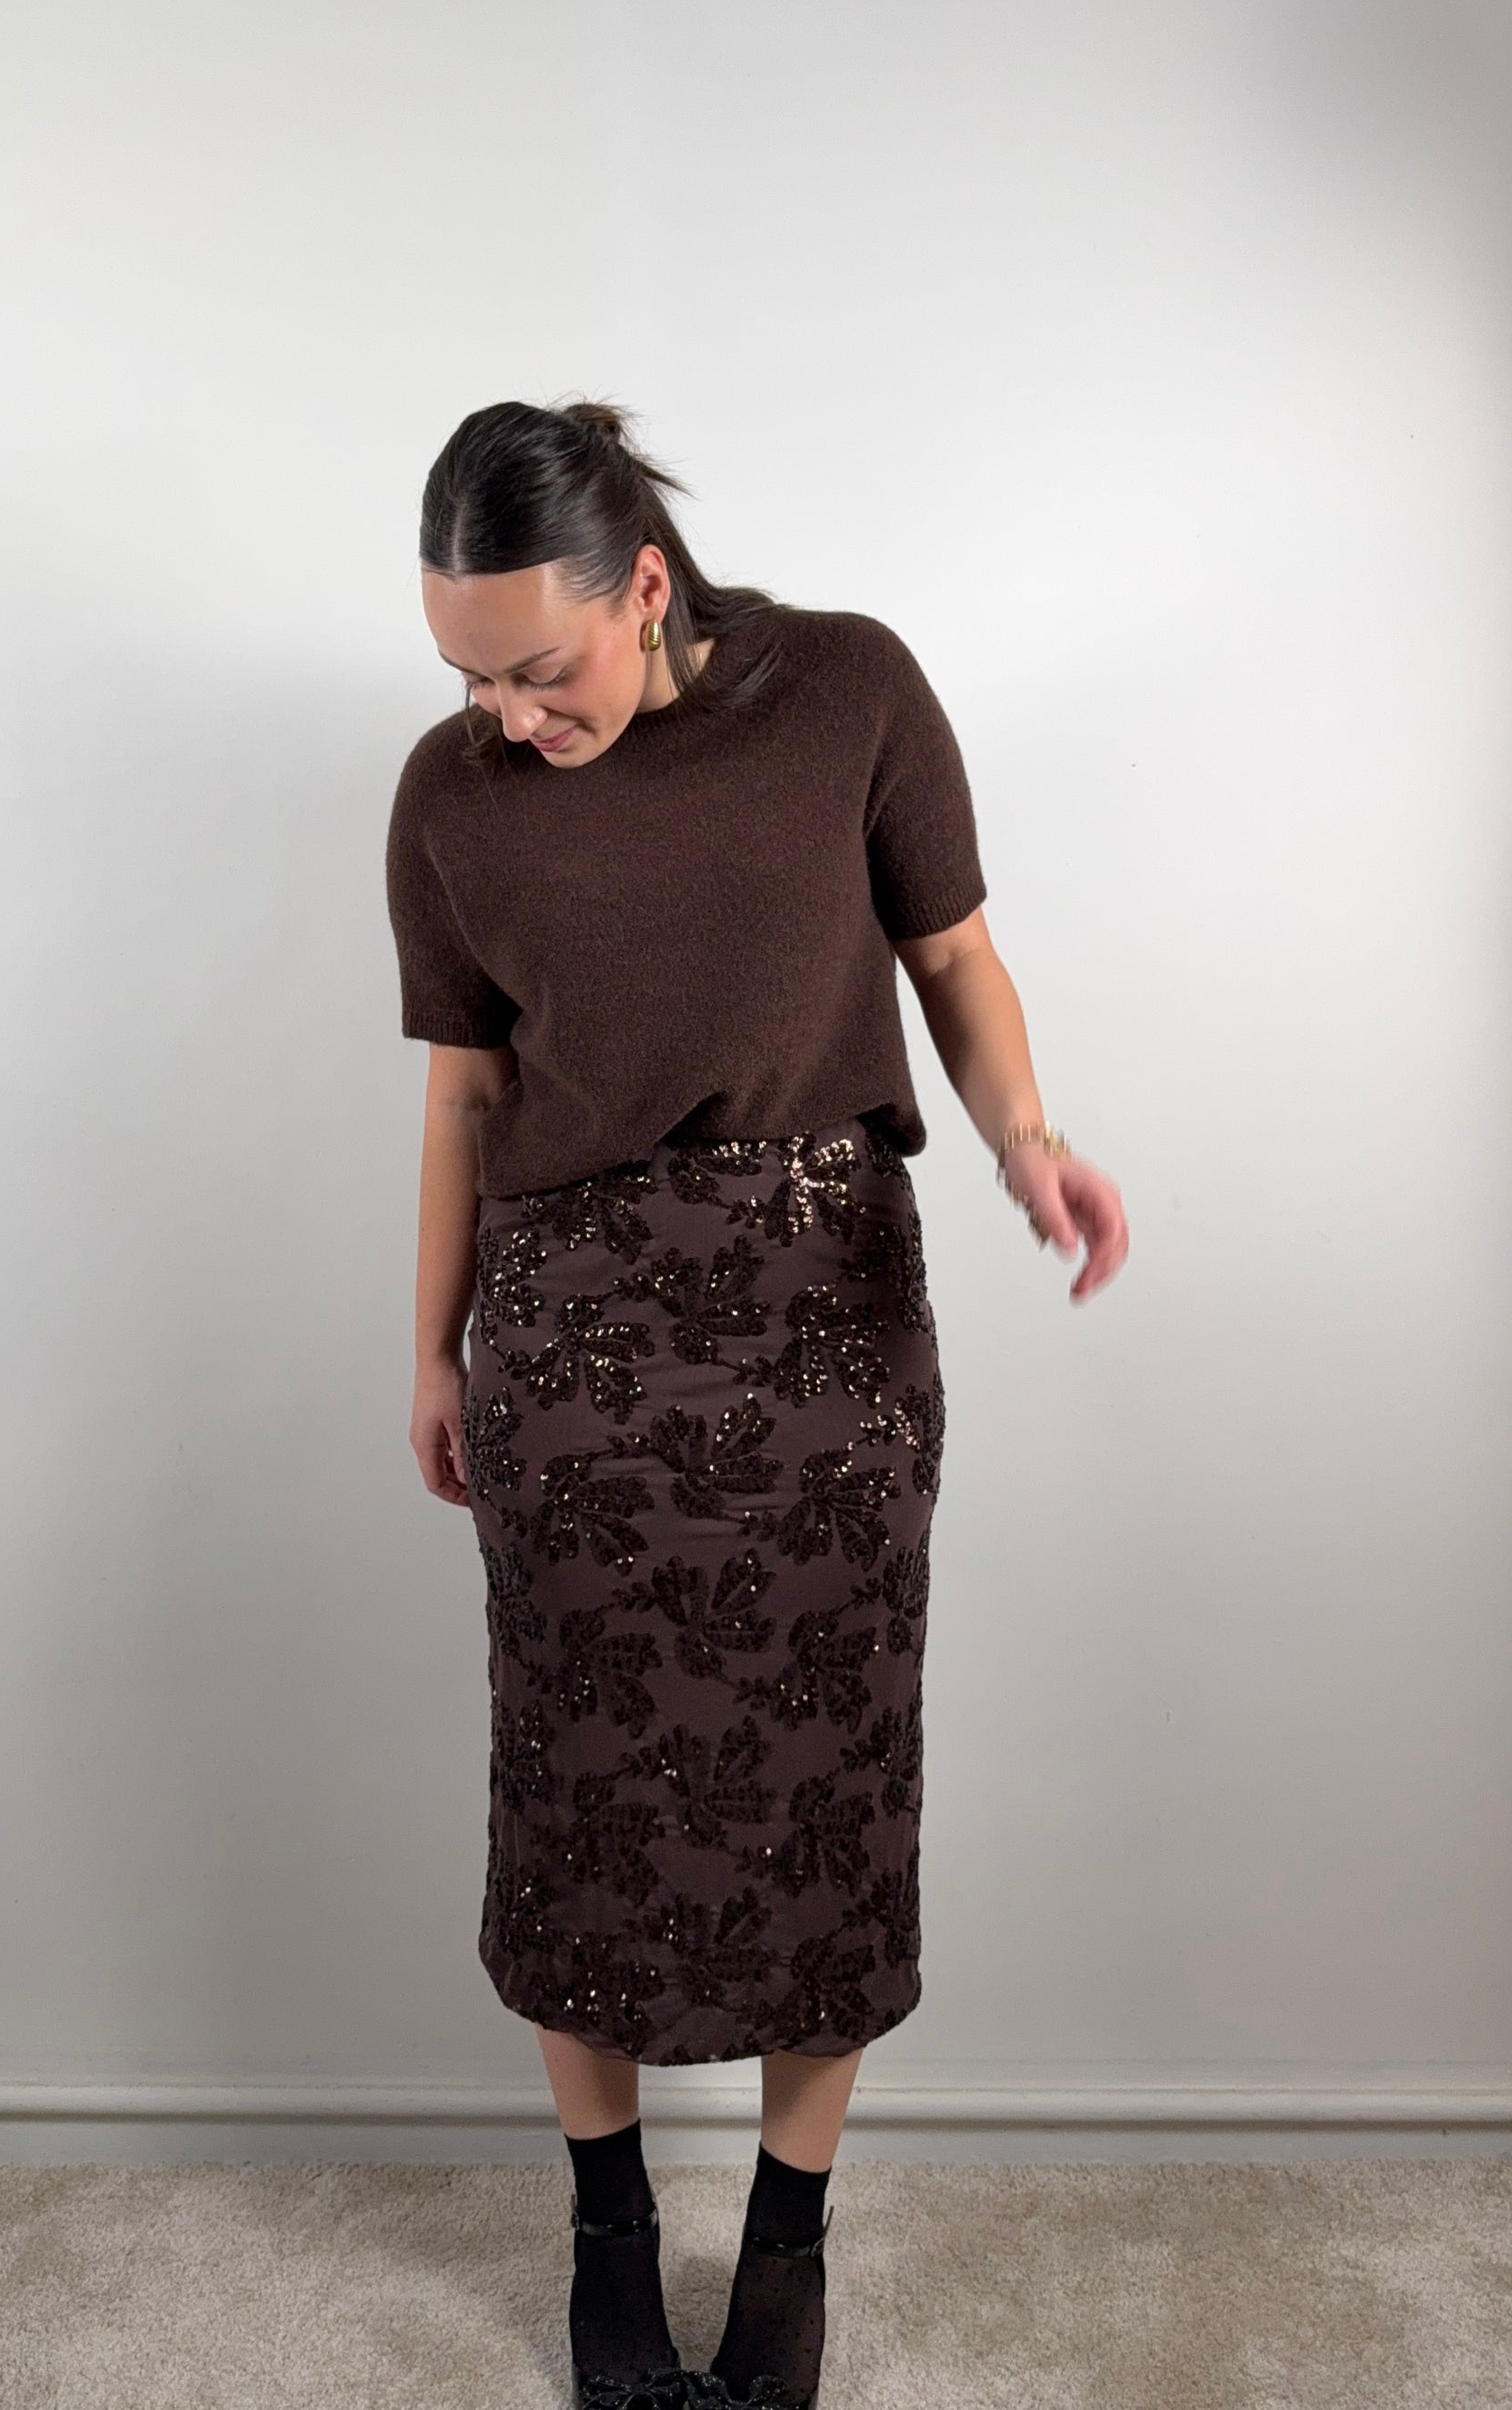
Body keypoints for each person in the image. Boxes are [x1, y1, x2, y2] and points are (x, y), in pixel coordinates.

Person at [385, 397, 1129, 2410]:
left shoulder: (849, 691)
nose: (507, 717)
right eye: (466, 677)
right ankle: (607, 2231)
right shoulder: (449, 798)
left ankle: (789, 2240)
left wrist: (1028, 1145)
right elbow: (462, 1094)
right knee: (575, 1795)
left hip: (823, 1322)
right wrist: (431, 1348)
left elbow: (952, 956)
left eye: (538, 670)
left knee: (826, 1786)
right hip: (569, 1345)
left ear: (644, 584)